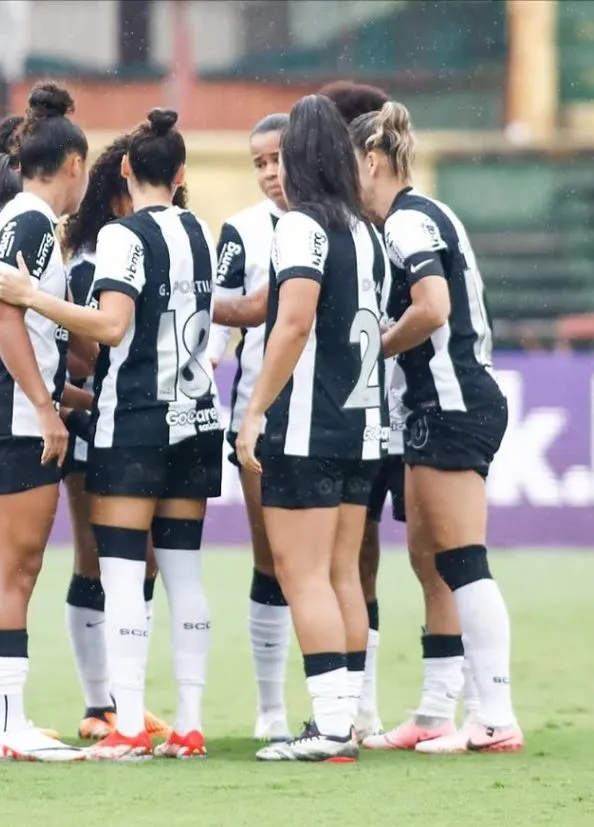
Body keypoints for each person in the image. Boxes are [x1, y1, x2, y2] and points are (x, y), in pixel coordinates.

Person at [0, 108, 222, 761]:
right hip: (196, 416)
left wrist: (33, 296)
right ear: (180, 174)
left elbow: (112, 327)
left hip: (136, 420)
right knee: (184, 574)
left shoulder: (122, 237)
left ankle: (125, 723)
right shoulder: (202, 232)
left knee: (120, 576)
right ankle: (190, 723)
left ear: (122, 171)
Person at [349, 102, 523, 754]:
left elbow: (433, 306)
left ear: (372, 161)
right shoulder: (427, 213)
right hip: (431, 408)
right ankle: (433, 711)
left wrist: (376, 347)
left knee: (462, 559)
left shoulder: (406, 222)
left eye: (349, 168)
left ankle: (495, 714)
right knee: (431, 561)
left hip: (454, 404)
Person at [236, 93, 387, 763]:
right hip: (361, 426)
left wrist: (255, 410)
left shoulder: (301, 227)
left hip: (307, 426)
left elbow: (293, 323)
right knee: (342, 573)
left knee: (303, 576)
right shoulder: (367, 229)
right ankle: (344, 718)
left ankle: (327, 728)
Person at [0, 81, 89, 762]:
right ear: (74, 164)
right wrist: (43, 407)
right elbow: (7, 321)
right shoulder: (32, 223)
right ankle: (8, 725)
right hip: (9, 420)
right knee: (15, 571)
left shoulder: (3, 219)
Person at [58, 134, 179, 743]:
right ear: (115, 198)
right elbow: (78, 353)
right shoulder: (89, 263)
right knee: (96, 558)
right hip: (98, 424)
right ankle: (98, 701)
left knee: (142, 559)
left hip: (140, 423)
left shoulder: (154, 247)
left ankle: (123, 698)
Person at [204, 112, 292, 743]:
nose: (268, 173)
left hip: (339, 418)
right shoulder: (241, 230)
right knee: (272, 560)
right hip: (261, 419)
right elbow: (220, 317)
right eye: (259, 163)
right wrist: (205, 363)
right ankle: (272, 707)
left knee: (348, 563)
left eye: (278, 158)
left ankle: (356, 704)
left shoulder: (349, 223)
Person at [319, 80, 392, 737]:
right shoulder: (311, 219)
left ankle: (354, 703)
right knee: (349, 558)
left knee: (354, 558)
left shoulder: (386, 220)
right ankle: (350, 704)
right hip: (367, 413)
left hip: (368, 412)